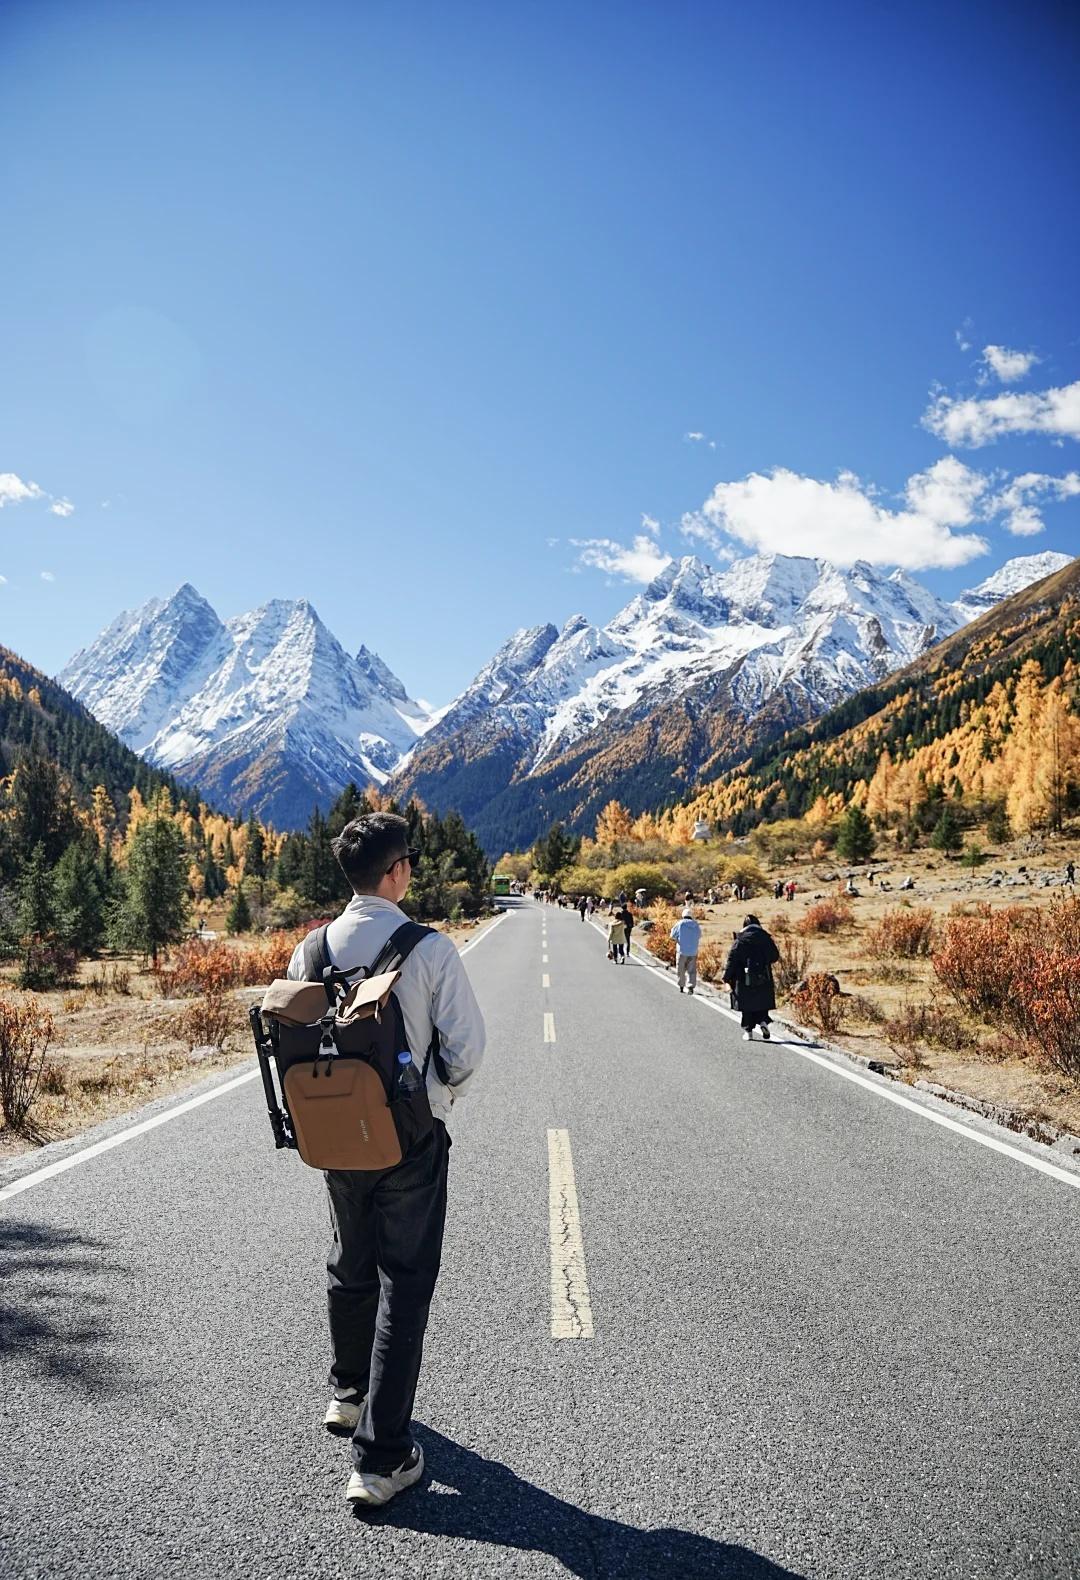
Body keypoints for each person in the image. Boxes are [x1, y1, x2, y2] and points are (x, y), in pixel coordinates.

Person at [286, 813, 486, 1509]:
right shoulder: (427, 949)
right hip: (406, 1139)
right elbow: (467, 1049)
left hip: (334, 1136)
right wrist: (435, 1099)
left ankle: (348, 1393)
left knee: (350, 1258)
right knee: (405, 1279)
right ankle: (382, 1458)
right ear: (397, 871)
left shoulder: (309, 950)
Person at [723, 913, 780, 1042]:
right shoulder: (766, 938)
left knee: (747, 1005)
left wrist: (726, 978)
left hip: (743, 977)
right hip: (763, 975)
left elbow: (732, 960)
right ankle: (763, 1022)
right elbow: (775, 956)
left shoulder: (740, 939)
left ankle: (748, 1032)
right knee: (761, 1002)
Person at [670, 905, 701, 994]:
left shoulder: (680, 923)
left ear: (683, 915)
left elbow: (672, 935)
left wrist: (677, 939)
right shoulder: (696, 925)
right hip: (693, 951)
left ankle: (681, 985)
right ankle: (691, 986)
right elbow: (699, 936)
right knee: (691, 971)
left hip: (682, 950)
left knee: (681, 969)